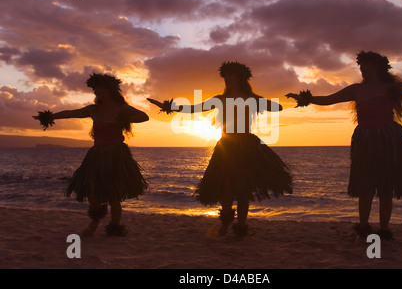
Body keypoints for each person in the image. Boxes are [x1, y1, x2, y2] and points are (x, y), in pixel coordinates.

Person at [286, 51, 402, 240]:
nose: (363, 69)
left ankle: (384, 230)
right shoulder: (356, 90)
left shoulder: (390, 87)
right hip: (365, 140)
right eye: (361, 67)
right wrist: (305, 98)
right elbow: (328, 99)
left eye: (366, 66)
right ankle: (363, 226)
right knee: (365, 186)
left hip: (387, 140)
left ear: (378, 67)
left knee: (385, 188)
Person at [148, 61, 293, 238]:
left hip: (247, 146)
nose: (227, 78)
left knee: (244, 189)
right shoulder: (220, 99)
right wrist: (169, 106)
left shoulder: (251, 99)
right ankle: (225, 221)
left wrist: (260, 102)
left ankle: (241, 226)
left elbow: (277, 107)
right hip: (227, 147)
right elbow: (194, 109)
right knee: (226, 187)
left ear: (240, 77)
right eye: (225, 75)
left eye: (230, 74)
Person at [33, 73, 149, 237]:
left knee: (114, 195)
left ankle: (114, 227)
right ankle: (96, 220)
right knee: (92, 193)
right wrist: (50, 116)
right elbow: (71, 113)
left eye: (98, 88)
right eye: (94, 89)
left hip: (116, 155)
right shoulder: (93, 109)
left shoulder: (121, 108)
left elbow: (144, 116)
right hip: (96, 155)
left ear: (108, 89)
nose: (95, 92)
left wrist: (121, 120)